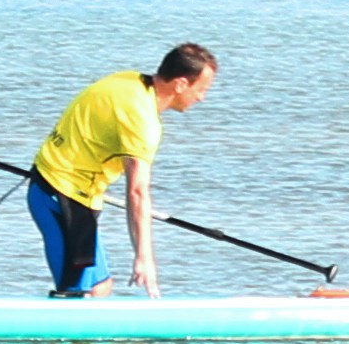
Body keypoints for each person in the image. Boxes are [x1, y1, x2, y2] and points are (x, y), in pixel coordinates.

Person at [29, 41, 217, 296]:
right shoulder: (142, 121)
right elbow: (137, 192)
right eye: (202, 89)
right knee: (78, 293)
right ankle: (50, 330)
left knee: (99, 287)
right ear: (181, 83)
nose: (201, 98)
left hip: (58, 186)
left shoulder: (127, 81)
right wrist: (144, 258)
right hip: (62, 197)